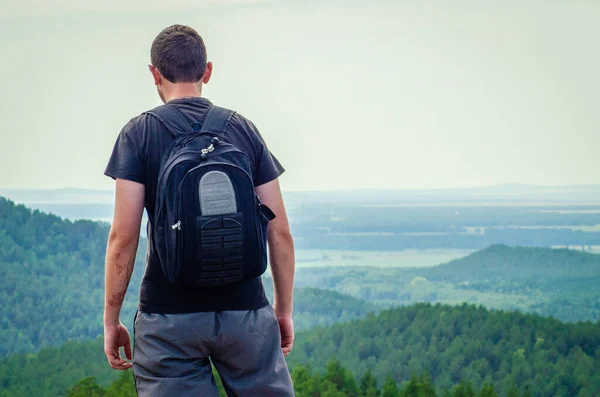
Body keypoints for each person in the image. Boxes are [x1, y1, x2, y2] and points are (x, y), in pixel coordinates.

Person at [102, 24, 295, 396]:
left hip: (168, 319)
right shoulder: (244, 130)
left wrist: (112, 320)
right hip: (247, 315)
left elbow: (122, 239)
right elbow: (280, 232)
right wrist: (282, 311)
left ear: (154, 73)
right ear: (207, 70)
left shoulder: (138, 134)